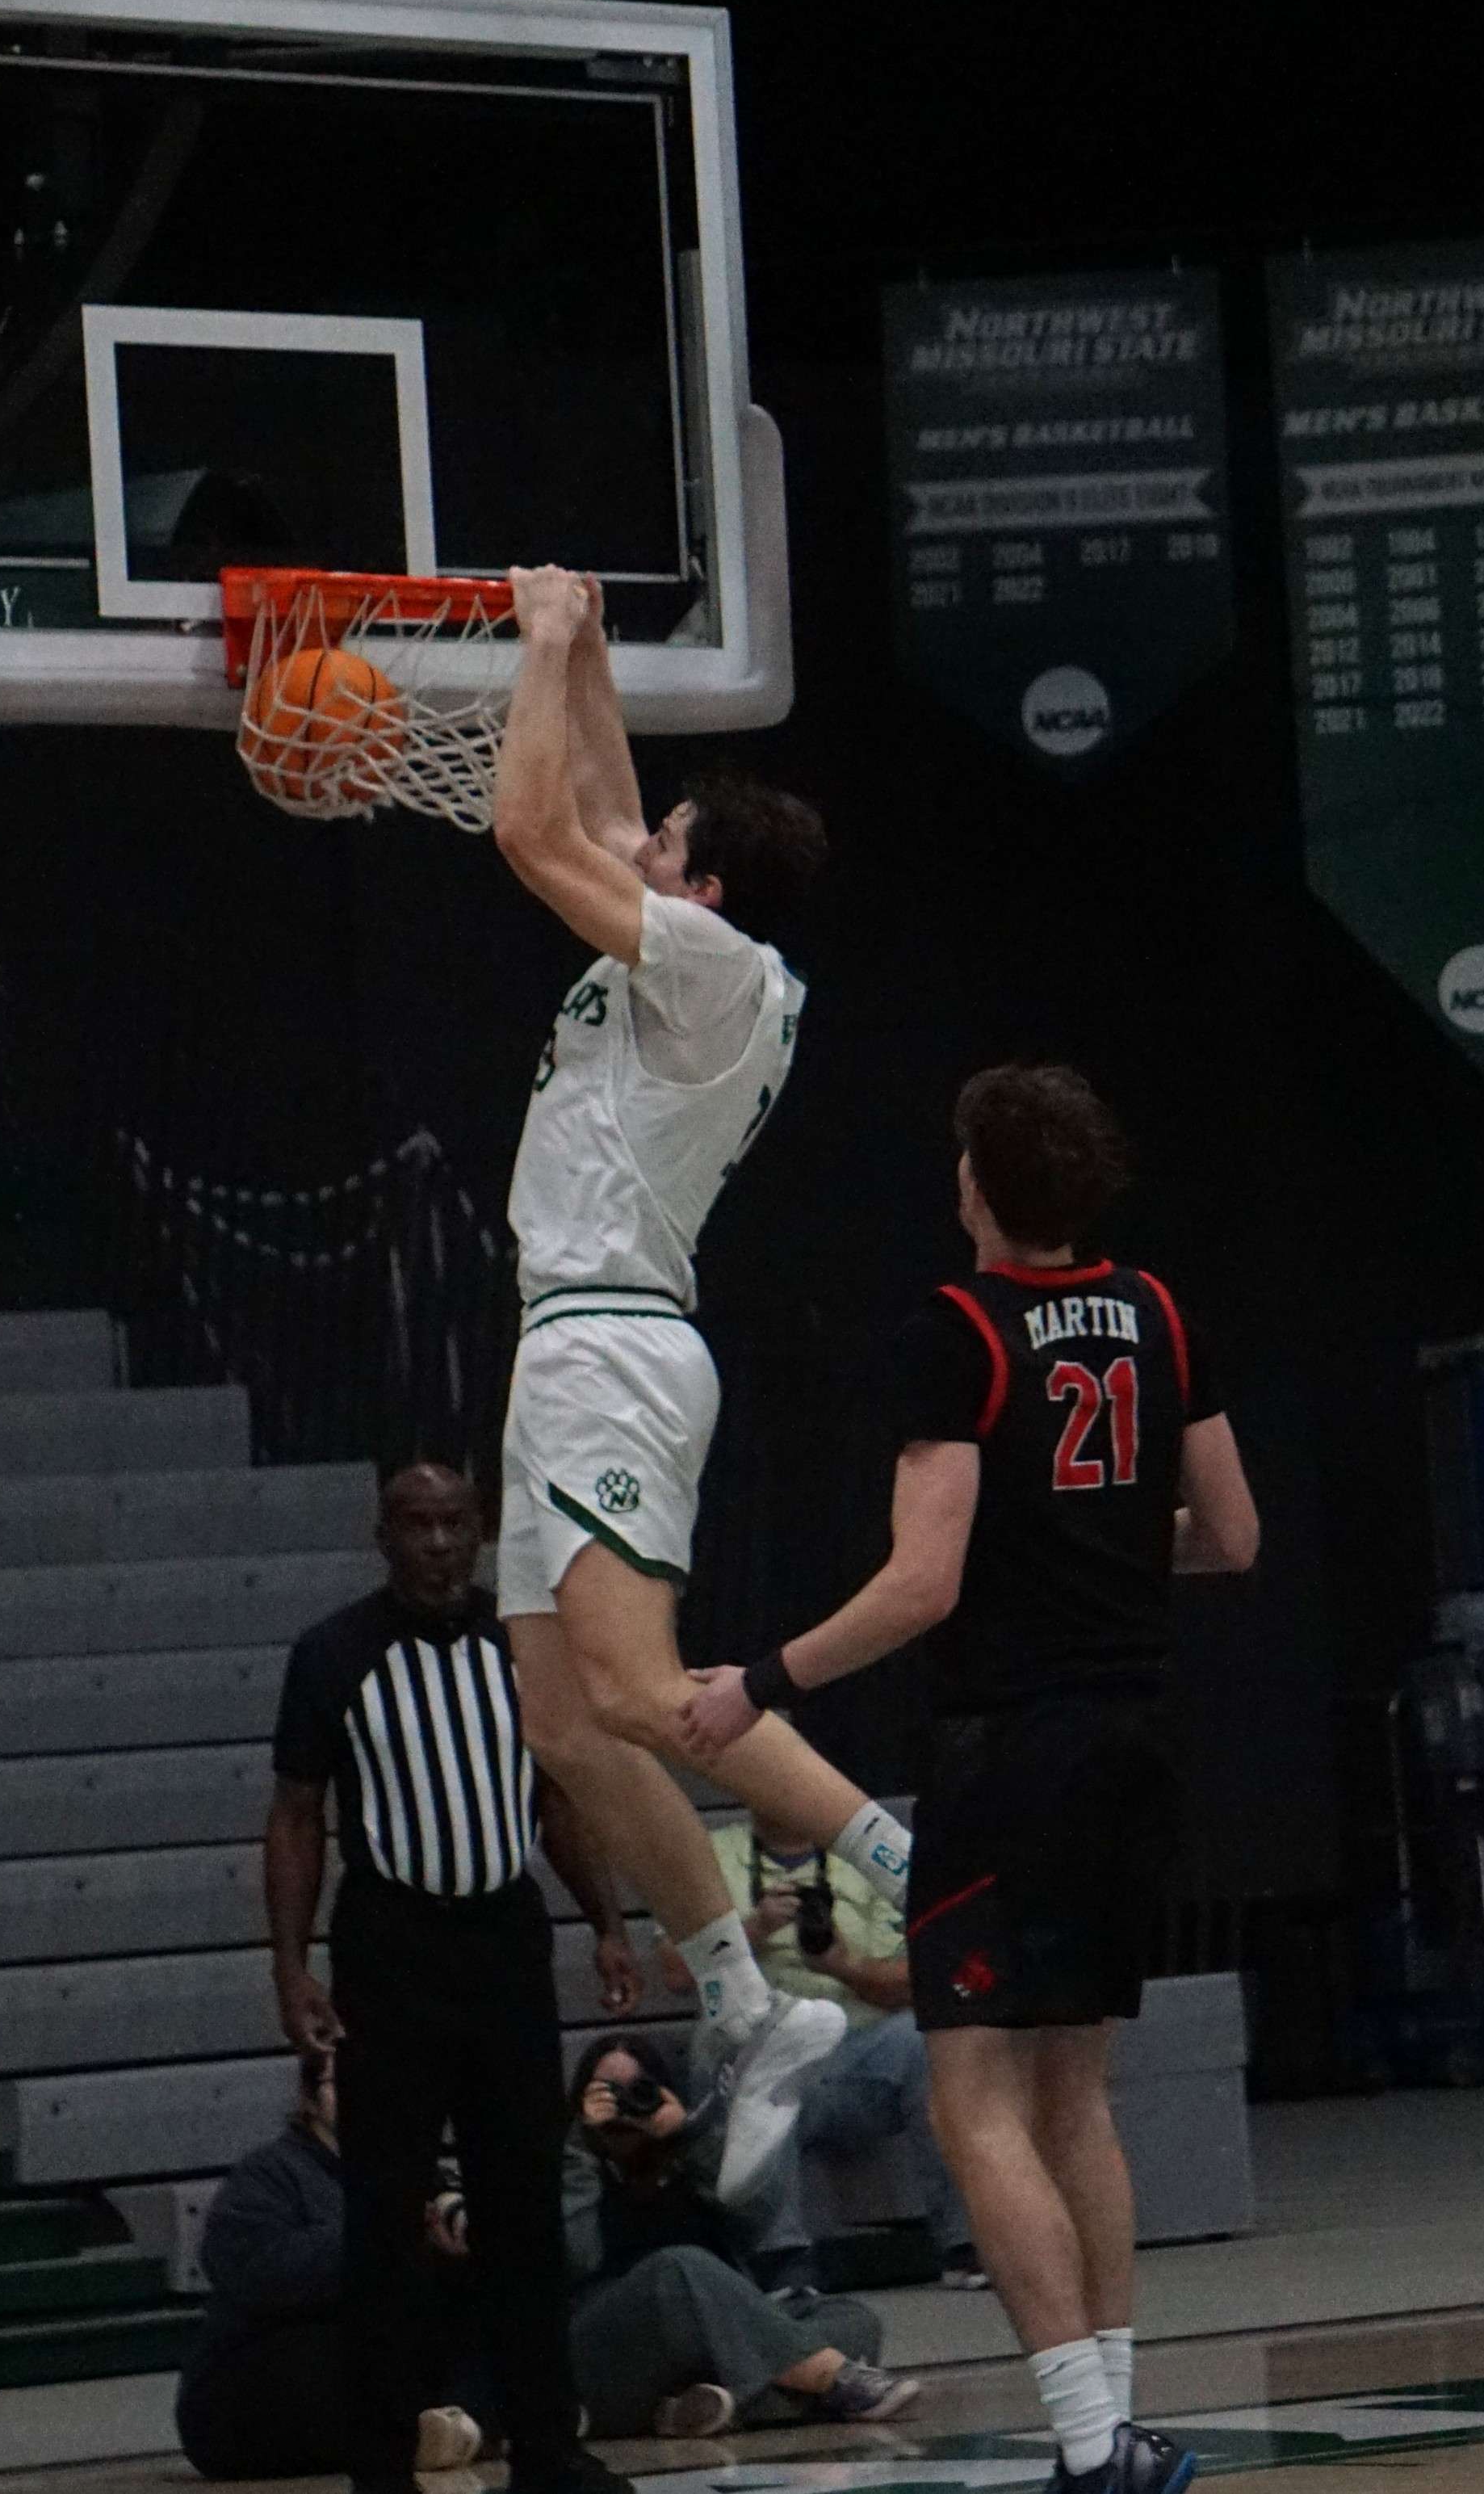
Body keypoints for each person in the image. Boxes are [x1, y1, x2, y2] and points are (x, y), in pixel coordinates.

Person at [682, 1063, 1261, 2494]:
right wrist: (1101, 1539)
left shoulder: (958, 1330)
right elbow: (1234, 1536)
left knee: (973, 2104)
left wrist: (761, 1680)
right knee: (1078, 2096)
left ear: (979, 1184)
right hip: (1137, 1742)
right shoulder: (1161, 1310)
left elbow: (922, 1584)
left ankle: (1090, 2442)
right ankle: (1118, 2430)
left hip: (1013, 1749)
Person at [484, 561, 916, 2193]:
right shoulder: (703, 951)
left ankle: (903, 1864)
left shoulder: (716, 970)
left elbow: (534, 831)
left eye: (666, 851)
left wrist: (538, 649)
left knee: (642, 1690)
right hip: (572, 1340)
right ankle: (743, 1993)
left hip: (611, 1342)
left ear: (707, 892)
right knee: (564, 1720)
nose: (639, 848)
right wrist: (592, 645)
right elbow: (603, 816)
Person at [265, 1459, 639, 2494]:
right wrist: (291, 1965)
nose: (437, 1543)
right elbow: (296, 1816)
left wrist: (607, 1921)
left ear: (480, 1532)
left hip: (505, 1938)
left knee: (525, 2205)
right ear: (383, 1536)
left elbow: (557, 1796)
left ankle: (547, 2450)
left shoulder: (522, 1645)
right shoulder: (332, 1654)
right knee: (386, 2215)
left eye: (453, 1523)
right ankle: (381, 2465)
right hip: (391, 1945)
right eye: (416, 1524)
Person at [559, 2033, 918, 2440]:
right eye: (609, 2091)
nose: (625, 2104)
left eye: (639, 2090)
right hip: (613, 2341)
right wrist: (582, 2147)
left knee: (853, 2319)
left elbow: (756, 2223)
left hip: (714, 2332)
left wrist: (690, 2135)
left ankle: (706, 2405)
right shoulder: (568, 2163)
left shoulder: (683, 2156)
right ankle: (830, 2381)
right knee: (680, 2265)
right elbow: (576, 2258)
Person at [176, 2047, 496, 2481]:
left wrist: (455, 2256)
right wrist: (381, 2232)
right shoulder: (269, 2174)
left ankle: (466, 2426)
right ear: (310, 2099)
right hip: (254, 2380)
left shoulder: (421, 2174)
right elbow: (254, 2274)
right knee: (346, 2344)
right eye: (343, 2082)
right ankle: (422, 2433)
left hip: (372, 2374)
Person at [704, 1813, 972, 2274]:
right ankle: (781, 2258)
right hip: (763, 2049)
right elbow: (675, 1972)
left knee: (927, 2041)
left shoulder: (870, 1855)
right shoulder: (710, 1852)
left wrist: (842, 1964)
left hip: (859, 2055)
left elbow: (919, 1983)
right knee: (728, 2048)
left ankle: (966, 2245)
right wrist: (755, 1928)